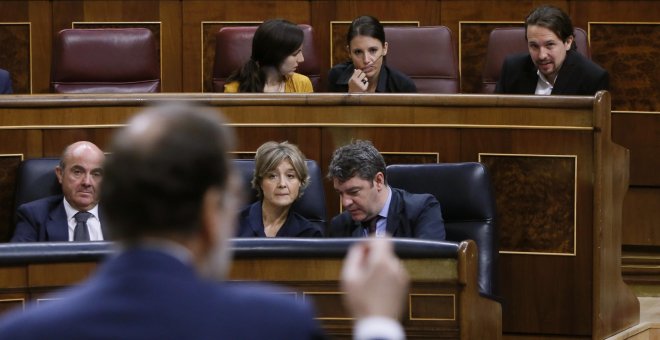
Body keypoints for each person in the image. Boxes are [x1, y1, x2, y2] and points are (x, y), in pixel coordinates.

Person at [0, 103, 409, 340]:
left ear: (117, 211)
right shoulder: (276, 325)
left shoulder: (21, 332)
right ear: (213, 217)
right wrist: (376, 323)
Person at [328, 140, 445, 240]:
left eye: (353, 192)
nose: (345, 203)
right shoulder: (340, 225)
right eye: (340, 193)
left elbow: (431, 263)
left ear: (378, 181)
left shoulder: (422, 209)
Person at [495, 5, 608, 95]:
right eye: (534, 46)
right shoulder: (513, 69)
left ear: (568, 42)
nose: (542, 56)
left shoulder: (592, 78)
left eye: (549, 45)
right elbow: (495, 117)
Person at [11, 141, 106, 242]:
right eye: (77, 172)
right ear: (60, 174)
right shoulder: (34, 216)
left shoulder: (122, 216)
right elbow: (19, 257)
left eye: (96, 174)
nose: (87, 182)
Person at [238, 141, 323, 237]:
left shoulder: (309, 234)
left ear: (300, 182)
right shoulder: (233, 224)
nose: (282, 184)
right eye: (272, 176)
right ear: (260, 182)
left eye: (290, 176)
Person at [328, 15, 416, 93]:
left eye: (373, 50)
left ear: (384, 49)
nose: (366, 60)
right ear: (349, 52)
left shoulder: (403, 86)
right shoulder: (336, 76)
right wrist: (351, 96)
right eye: (358, 52)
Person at [224, 19, 313, 93]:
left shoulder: (302, 84)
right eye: (295, 54)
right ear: (274, 55)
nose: (301, 59)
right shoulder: (234, 90)